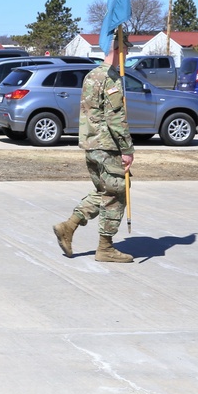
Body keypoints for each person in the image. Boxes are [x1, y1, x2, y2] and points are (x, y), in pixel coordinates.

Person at [53, 42, 135, 263]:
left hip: (91, 144)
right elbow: (115, 118)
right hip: (107, 146)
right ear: (118, 49)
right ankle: (105, 247)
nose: (127, 55)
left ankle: (68, 226)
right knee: (116, 193)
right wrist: (127, 149)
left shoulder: (92, 74)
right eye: (126, 50)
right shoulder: (111, 78)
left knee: (103, 190)